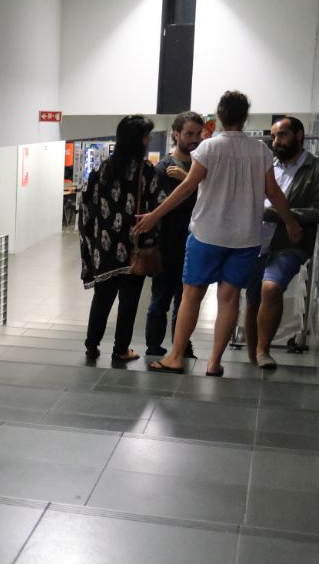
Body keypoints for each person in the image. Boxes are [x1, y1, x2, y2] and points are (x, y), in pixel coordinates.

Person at [133, 90, 303, 376]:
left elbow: (187, 187)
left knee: (191, 295)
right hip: (246, 239)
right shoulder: (260, 151)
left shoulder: (208, 148)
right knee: (230, 298)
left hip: (207, 235)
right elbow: (273, 192)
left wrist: (154, 215)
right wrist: (291, 222)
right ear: (245, 117)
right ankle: (214, 363)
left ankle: (176, 356)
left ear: (220, 116)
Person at [244, 116, 319, 369]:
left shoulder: (318, 169)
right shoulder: (266, 167)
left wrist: (277, 214)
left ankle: (263, 350)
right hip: (257, 240)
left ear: (299, 135)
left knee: (271, 288)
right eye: (274, 136)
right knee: (253, 299)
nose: (276, 141)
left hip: (289, 243)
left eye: (282, 135)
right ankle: (253, 356)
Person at [78, 115, 165, 362]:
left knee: (102, 298)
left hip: (104, 251)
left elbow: (87, 208)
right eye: (146, 136)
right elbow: (157, 207)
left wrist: (93, 243)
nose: (148, 140)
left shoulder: (102, 169)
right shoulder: (146, 171)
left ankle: (91, 345)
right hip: (134, 249)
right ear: (139, 140)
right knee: (129, 302)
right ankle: (120, 349)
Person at [145, 111, 204, 358]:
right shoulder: (164, 169)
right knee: (161, 299)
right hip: (168, 244)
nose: (195, 139)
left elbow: (209, 200)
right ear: (176, 134)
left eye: (198, 134)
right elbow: (165, 205)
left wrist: (188, 180)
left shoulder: (201, 166)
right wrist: (187, 183)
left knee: (186, 300)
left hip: (195, 243)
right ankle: (154, 346)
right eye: (189, 133)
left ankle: (181, 346)